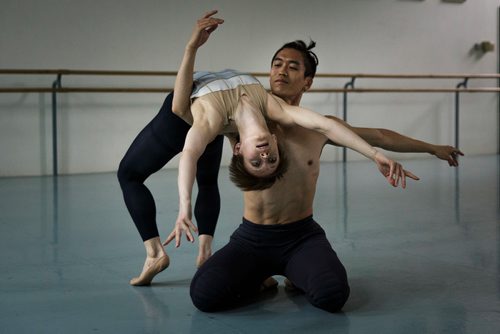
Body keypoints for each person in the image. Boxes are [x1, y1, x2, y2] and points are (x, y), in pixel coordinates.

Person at [118, 11, 462, 287]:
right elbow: (183, 120)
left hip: (295, 229)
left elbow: (376, 135)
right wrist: (183, 207)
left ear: (308, 81)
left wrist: (428, 148)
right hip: (246, 224)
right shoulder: (254, 118)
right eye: (277, 64)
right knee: (204, 289)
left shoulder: (299, 122)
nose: (281, 71)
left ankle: (242, 259)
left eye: (293, 67)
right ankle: (181, 253)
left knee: (329, 293)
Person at [169, 10, 413, 251]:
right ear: (274, 141)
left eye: (257, 162)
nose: (264, 155)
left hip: (189, 97)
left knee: (176, 113)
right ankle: (203, 249)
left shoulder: (214, 119)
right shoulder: (273, 107)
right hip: (202, 96)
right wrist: (375, 155)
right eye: (272, 159)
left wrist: (192, 47)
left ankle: (200, 250)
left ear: (239, 150)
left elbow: (189, 151)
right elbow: (325, 125)